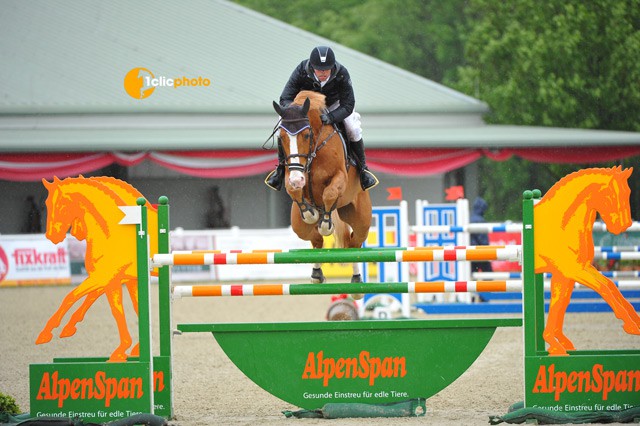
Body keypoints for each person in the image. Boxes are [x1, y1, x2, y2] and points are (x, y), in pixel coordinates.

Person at [265, 46, 379, 192]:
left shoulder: (342, 73)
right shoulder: (301, 70)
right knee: (282, 127)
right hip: (306, 109)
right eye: (319, 69)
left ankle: (363, 170)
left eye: (327, 69)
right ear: (312, 67)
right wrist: (296, 111)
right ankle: (280, 169)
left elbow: (348, 104)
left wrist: (331, 117)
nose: (323, 73)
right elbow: (285, 98)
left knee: (353, 128)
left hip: (334, 106)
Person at [470, 197, 493, 274]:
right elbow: (483, 240)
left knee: (472, 277)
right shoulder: (480, 221)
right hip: (480, 252)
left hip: (470, 253)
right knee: (488, 275)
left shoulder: (469, 219)